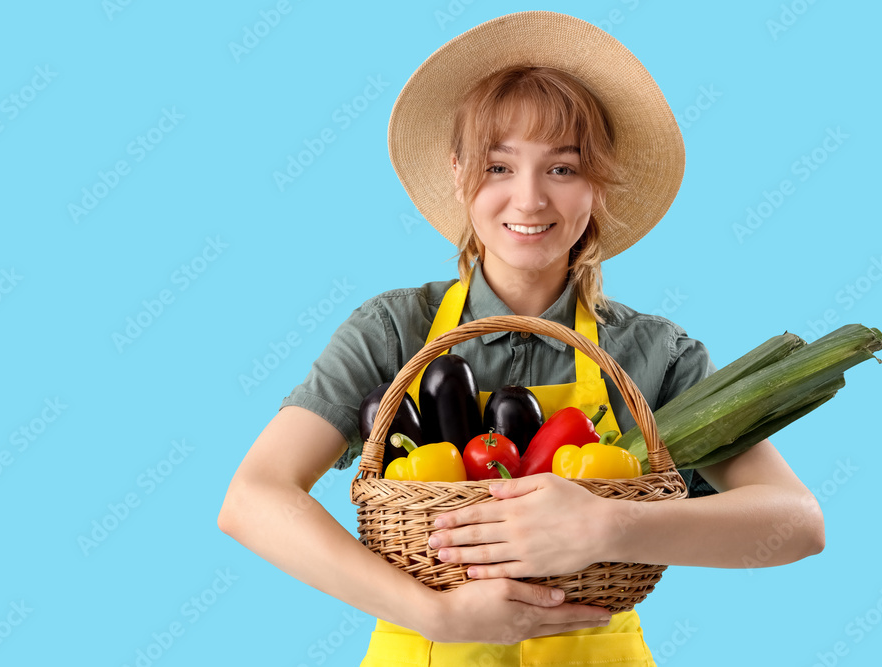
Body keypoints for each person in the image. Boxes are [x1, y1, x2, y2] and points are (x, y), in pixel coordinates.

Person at [218, 11, 825, 666]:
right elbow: (253, 497)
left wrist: (610, 525)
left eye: (562, 169)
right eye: (498, 166)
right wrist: (438, 613)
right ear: (457, 175)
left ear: (597, 182)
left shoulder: (654, 354)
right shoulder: (395, 331)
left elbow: (796, 522)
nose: (530, 200)